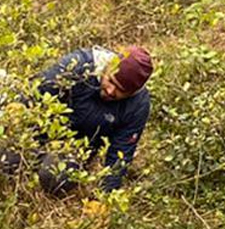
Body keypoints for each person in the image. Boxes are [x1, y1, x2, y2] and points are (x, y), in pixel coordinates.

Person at [34, 44, 154, 192]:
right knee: (3, 166)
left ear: (133, 92)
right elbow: (34, 94)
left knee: (56, 177)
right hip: (38, 132)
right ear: (108, 67)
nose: (110, 91)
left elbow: (119, 155)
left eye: (120, 90)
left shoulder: (138, 105)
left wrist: (105, 197)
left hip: (75, 148)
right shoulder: (78, 66)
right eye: (110, 81)